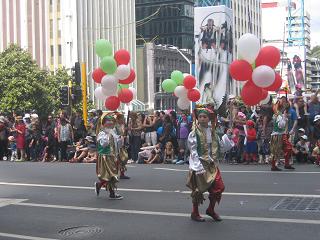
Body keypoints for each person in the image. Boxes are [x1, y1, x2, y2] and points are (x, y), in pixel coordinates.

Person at [186, 107, 225, 222]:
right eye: (200, 117)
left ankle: (211, 209)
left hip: (212, 164)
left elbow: (220, 148)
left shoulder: (213, 132)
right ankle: (195, 212)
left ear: (209, 119)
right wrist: (197, 167)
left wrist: (230, 138)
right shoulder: (194, 133)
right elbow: (193, 152)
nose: (202, 119)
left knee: (219, 187)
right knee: (198, 190)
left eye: (205, 117)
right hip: (200, 164)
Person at [94, 113, 123, 200]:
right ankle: (112, 193)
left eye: (111, 121)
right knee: (111, 175)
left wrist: (120, 139)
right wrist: (108, 136)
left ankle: (100, 186)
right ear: (103, 123)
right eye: (108, 121)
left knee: (111, 175)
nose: (110, 122)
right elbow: (103, 144)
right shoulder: (102, 133)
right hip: (105, 157)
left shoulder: (112, 132)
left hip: (112, 156)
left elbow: (117, 145)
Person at [115, 113, 130, 179]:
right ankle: (115, 174)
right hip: (116, 145)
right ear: (118, 119)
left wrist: (125, 132)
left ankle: (122, 173)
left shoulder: (119, 125)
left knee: (123, 159)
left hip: (121, 144)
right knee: (118, 160)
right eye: (122, 119)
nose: (123, 120)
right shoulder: (114, 126)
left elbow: (122, 134)